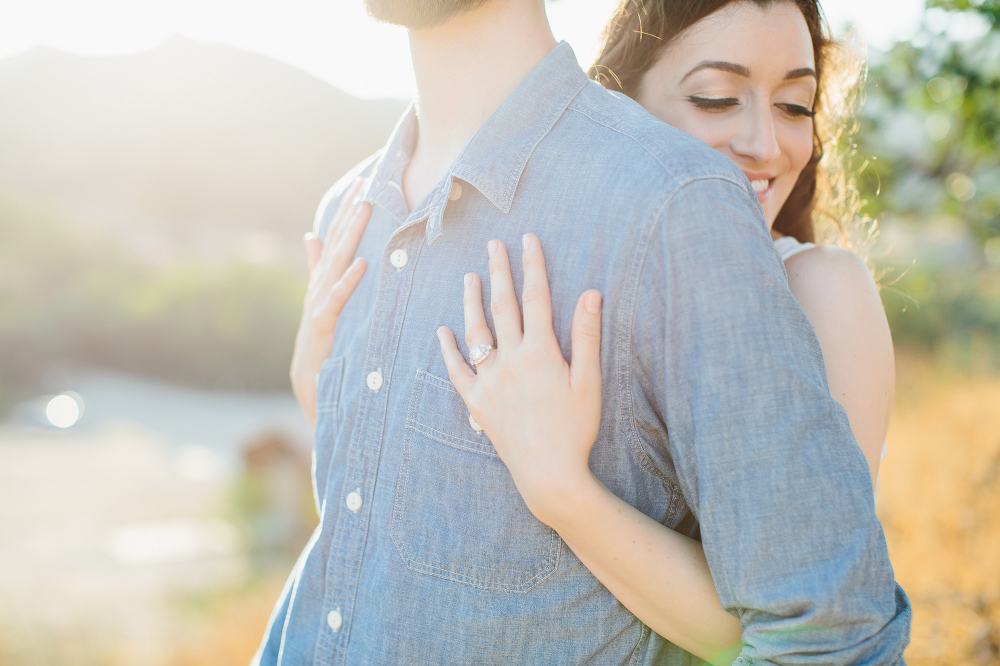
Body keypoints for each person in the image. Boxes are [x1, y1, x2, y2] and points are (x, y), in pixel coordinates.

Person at [256, 0, 910, 664]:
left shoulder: (689, 213)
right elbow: (369, 545)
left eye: (796, 106)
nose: (764, 143)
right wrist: (323, 391)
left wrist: (562, 491)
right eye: (717, 98)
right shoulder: (352, 209)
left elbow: (819, 620)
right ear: (627, 90)